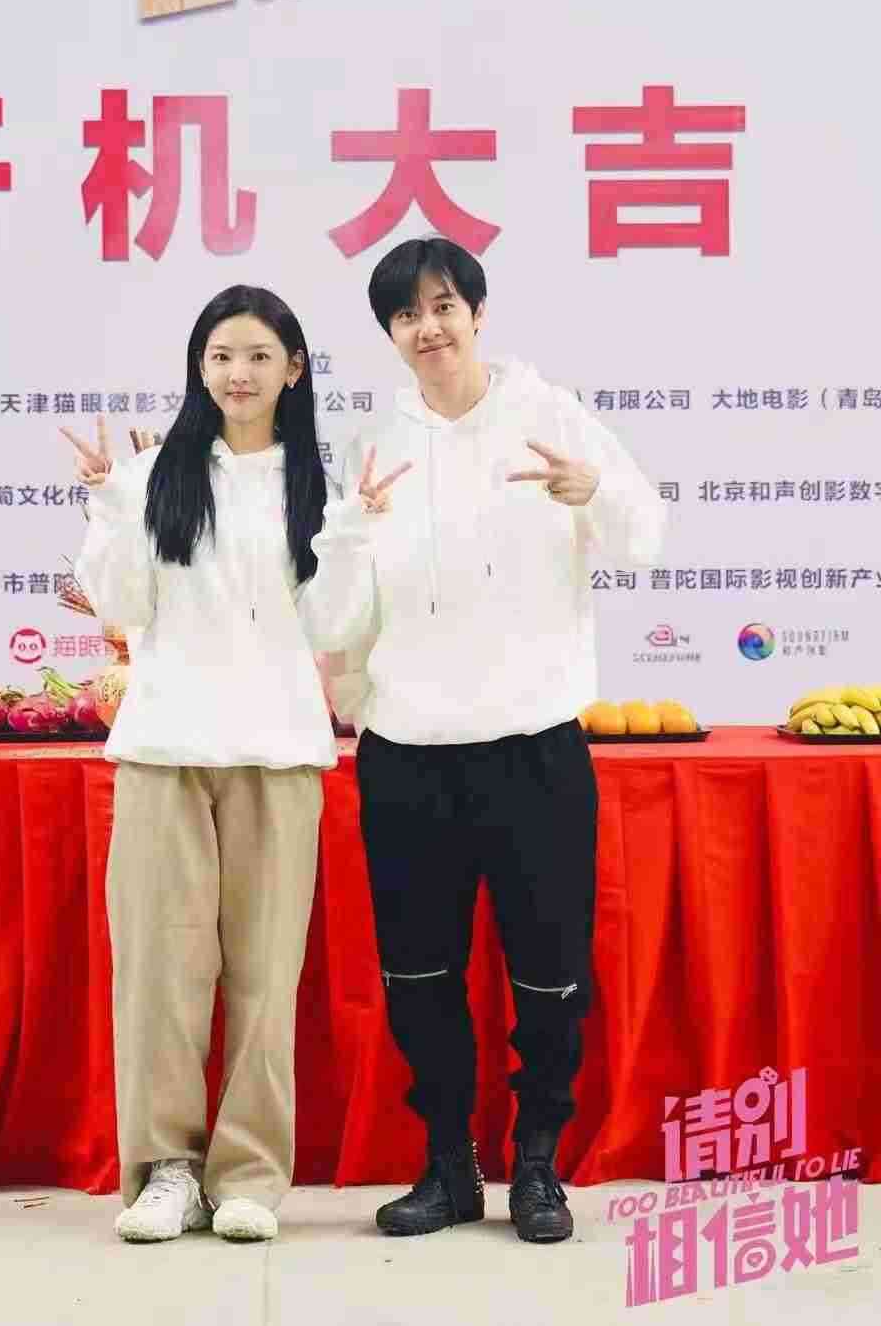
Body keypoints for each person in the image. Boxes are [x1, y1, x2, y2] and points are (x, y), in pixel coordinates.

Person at [324, 237, 667, 1243]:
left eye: (444, 306)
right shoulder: (372, 442)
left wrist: (594, 494)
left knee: (550, 971)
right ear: (390, 334)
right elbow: (341, 609)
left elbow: (646, 534)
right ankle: (449, 1166)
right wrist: (355, 679)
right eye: (406, 316)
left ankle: (538, 1165)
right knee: (417, 973)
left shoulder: (550, 414)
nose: (428, 329)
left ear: (477, 312)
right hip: (406, 749)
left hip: (532, 745)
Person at [63, 285, 407, 1245]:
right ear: (198, 367)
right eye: (220, 356)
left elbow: (333, 626)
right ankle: (165, 1172)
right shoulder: (152, 477)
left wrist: (353, 533)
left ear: (294, 369)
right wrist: (108, 503)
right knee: (159, 972)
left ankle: (250, 1173)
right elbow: (124, 604)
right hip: (164, 751)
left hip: (278, 752)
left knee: (264, 975)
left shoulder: (320, 488)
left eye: (258, 356)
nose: (237, 374)